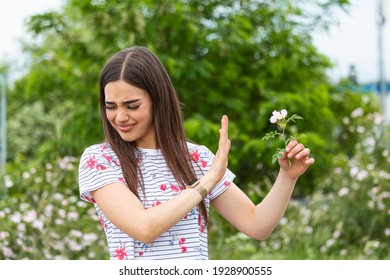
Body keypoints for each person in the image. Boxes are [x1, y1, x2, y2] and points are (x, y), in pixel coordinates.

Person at [78, 46, 315, 260]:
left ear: (157, 101)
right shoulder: (100, 160)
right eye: (111, 106)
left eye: (132, 106)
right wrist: (207, 181)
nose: (120, 117)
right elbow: (144, 229)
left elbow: (257, 225)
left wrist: (287, 177)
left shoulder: (197, 158)